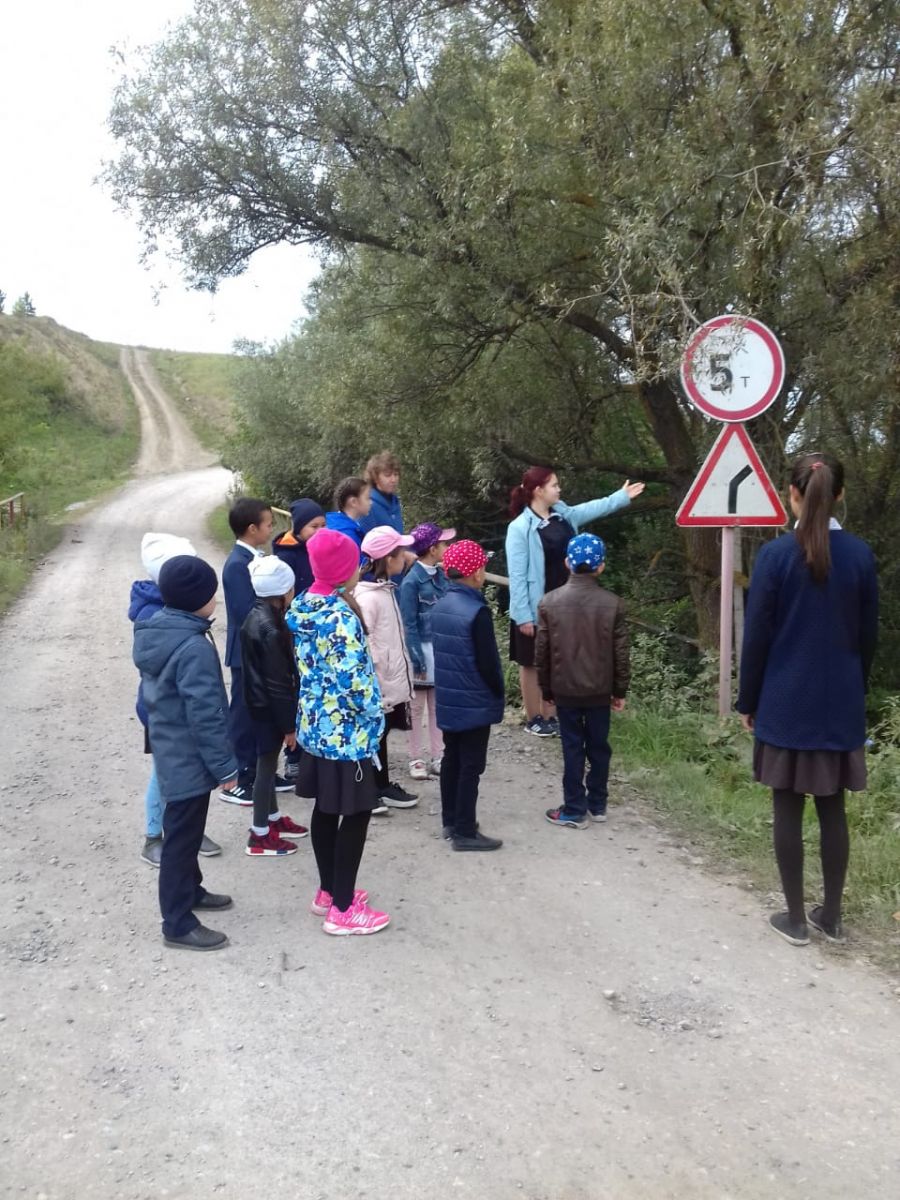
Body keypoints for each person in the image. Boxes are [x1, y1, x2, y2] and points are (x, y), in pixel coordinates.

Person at [737, 453, 878, 947]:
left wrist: (748, 700)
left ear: (791, 494)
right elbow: (867, 638)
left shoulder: (775, 556)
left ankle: (795, 920)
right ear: (840, 494)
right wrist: (855, 689)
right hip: (840, 701)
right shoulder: (860, 556)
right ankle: (831, 918)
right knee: (832, 807)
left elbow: (756, 638)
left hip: (784, 699)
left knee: (787, 806)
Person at [286, 529, 391, 935]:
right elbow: (354, 681)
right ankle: (343, 910)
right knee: (358, 812)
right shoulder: (340, 617)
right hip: (347, 734)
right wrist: (375, 712)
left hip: (316, 726)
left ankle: (329, 891)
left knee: (326, 808)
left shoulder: (304, 605)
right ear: (345, 569)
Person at [133, 556, 238, 951]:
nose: (216, 600)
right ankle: (177, 922)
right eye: (213, 594)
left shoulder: (163, 630)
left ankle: (191, 890)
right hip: (188, 754)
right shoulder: (193, 646)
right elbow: (206, 714)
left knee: (188, 829)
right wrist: (225, 767)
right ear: (197, 600)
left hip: (171, 745)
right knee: (180, 838)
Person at [505, 467, 644, 738]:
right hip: (534, 607)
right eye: (554, 485)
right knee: (531, 662)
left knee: (556, 659)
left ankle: (552, 715)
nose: (559, 490)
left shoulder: (563, 514)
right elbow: (517, 575)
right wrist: (523, 616)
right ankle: (534, 718)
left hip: (563, 604)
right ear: (538, 491)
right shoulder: (520, 528)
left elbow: (592, 509)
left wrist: (620, 497)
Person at [129, 533, 222, 866]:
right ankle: (154, 835)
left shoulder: (170, 605)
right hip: (164, 710)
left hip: (176, 706)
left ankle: (187, 830)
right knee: (164, 773)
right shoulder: (154, 612)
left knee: (186, 775)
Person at [535, 533, 630, 829]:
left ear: (567, 563)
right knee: (599, 746)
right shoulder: (613, 604)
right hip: (600, 691)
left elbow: (542, 652)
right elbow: (621, 653)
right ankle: (598, 804)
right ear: (601, 566)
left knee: (572, 746)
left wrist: (546, 689)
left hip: (564, 690)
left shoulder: (549, 602)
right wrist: (619, 690)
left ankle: (575, 807)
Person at [432, 539, 505, 851]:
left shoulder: (440, 606)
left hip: (449, 698)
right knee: (471, 765)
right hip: (474, 699)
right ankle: (465, 831)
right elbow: (489, 663)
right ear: (475, 573)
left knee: (452, 758)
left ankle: (450, 821)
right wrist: (498, 691)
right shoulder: (477, 612)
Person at [221, 497, 292, 806]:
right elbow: (245, 611)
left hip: (262, 649)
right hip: (246, 651)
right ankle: (239, 776)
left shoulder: (256, 558)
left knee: (263, 712)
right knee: (243, 714)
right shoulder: (237, 565)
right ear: (252, 529)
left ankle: (263, 771)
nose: (271, 529)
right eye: (268, 524)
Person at [240, 556, 309, 856]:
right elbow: (278, 684)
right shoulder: (271, 629)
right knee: (266, 768)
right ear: (283, 592)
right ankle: (259, 835)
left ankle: (272, 817)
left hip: (258, 704)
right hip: (268, 709)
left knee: (266, 764)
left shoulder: (256, 615)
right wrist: (289, 726)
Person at [356, 525, 419, 810]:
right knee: (375, 734)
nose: (405, 557)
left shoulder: (384, 589)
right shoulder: (369, 596)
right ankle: (371, 790)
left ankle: (380, 785)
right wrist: (377, 675)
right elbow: (365, 642)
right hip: (380, 678)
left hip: (388, 675)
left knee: (382, 733)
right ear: (388, 558)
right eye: (400, 552)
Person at [399, 522, 455, 780]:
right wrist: (416, 658)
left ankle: (438, 754)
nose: (447, 547)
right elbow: (408, 623)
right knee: (415, 708)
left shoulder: (442, 577)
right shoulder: (411, 582)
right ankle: (415, 757)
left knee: (437, 706)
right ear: (433, 549)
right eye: (443, 544)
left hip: (439, 649)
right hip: (420, 650)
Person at [271, 498, 326, 593]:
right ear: (299, 527)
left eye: (323, 525)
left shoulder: (323, 547)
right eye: (314, 526)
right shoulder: (286, 556)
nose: (320, 531)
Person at [359, 451, 403, 534]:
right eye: (387, 475)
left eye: (396, 474)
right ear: (375, 477)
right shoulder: (368, 505)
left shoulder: (395, 502)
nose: (393, 480)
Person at [325, 477, 372, 553]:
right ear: (353, 502)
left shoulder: (337, 524)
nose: (371, 502)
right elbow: (356, 560)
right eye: (368, 498)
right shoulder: (348, 536)